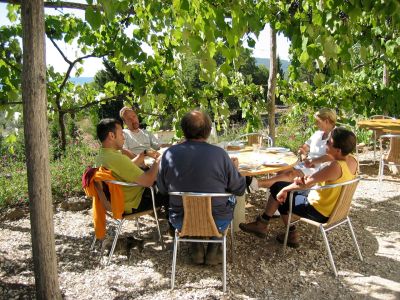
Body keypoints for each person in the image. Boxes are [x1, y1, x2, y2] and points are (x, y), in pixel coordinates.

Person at [239, 127, 358, 248]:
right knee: (281, 189)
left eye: (329, 142)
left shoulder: (335, 167)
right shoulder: (352, 159)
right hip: (335, 208)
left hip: (319, 210)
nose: (326, 144)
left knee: (278, 189)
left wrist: (285, 189)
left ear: (338, 150)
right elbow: (310, 180)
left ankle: (285, 231)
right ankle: (265, 224)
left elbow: (305, 184)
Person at [157, 109, 247, 265]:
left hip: (180, 220)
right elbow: (238, 188)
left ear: (183, 131)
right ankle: (214, 248)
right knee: (228, 197)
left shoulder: (168, 154)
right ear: (208, 131)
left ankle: (195, 244)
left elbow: (163, 189)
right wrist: (236, 170)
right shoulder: (220, 154)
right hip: (217, 220)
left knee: (186, 201)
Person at [96, 118, 167, 215]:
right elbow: (148, 181)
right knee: (171, 188)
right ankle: (177, 227)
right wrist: (158, 160)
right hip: (135, 202)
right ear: (112, 135)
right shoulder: (117, 158)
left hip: (119, 201)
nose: (124, 138)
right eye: (121, 134)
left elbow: (123, 169)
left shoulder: (102, 156)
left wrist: (142, 155)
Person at [257, 108, 337, 188]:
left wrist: (312, 161)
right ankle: (275, 193)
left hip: (319, 170)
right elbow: (304, 148)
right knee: (282, 170)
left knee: (291, 174)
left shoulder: (336, 135)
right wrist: (304, 157)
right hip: (307, 164)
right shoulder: (318, 134)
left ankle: (258, 184)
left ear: (326, 121)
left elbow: (332, 156)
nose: (316, 124)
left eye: (318, 121)